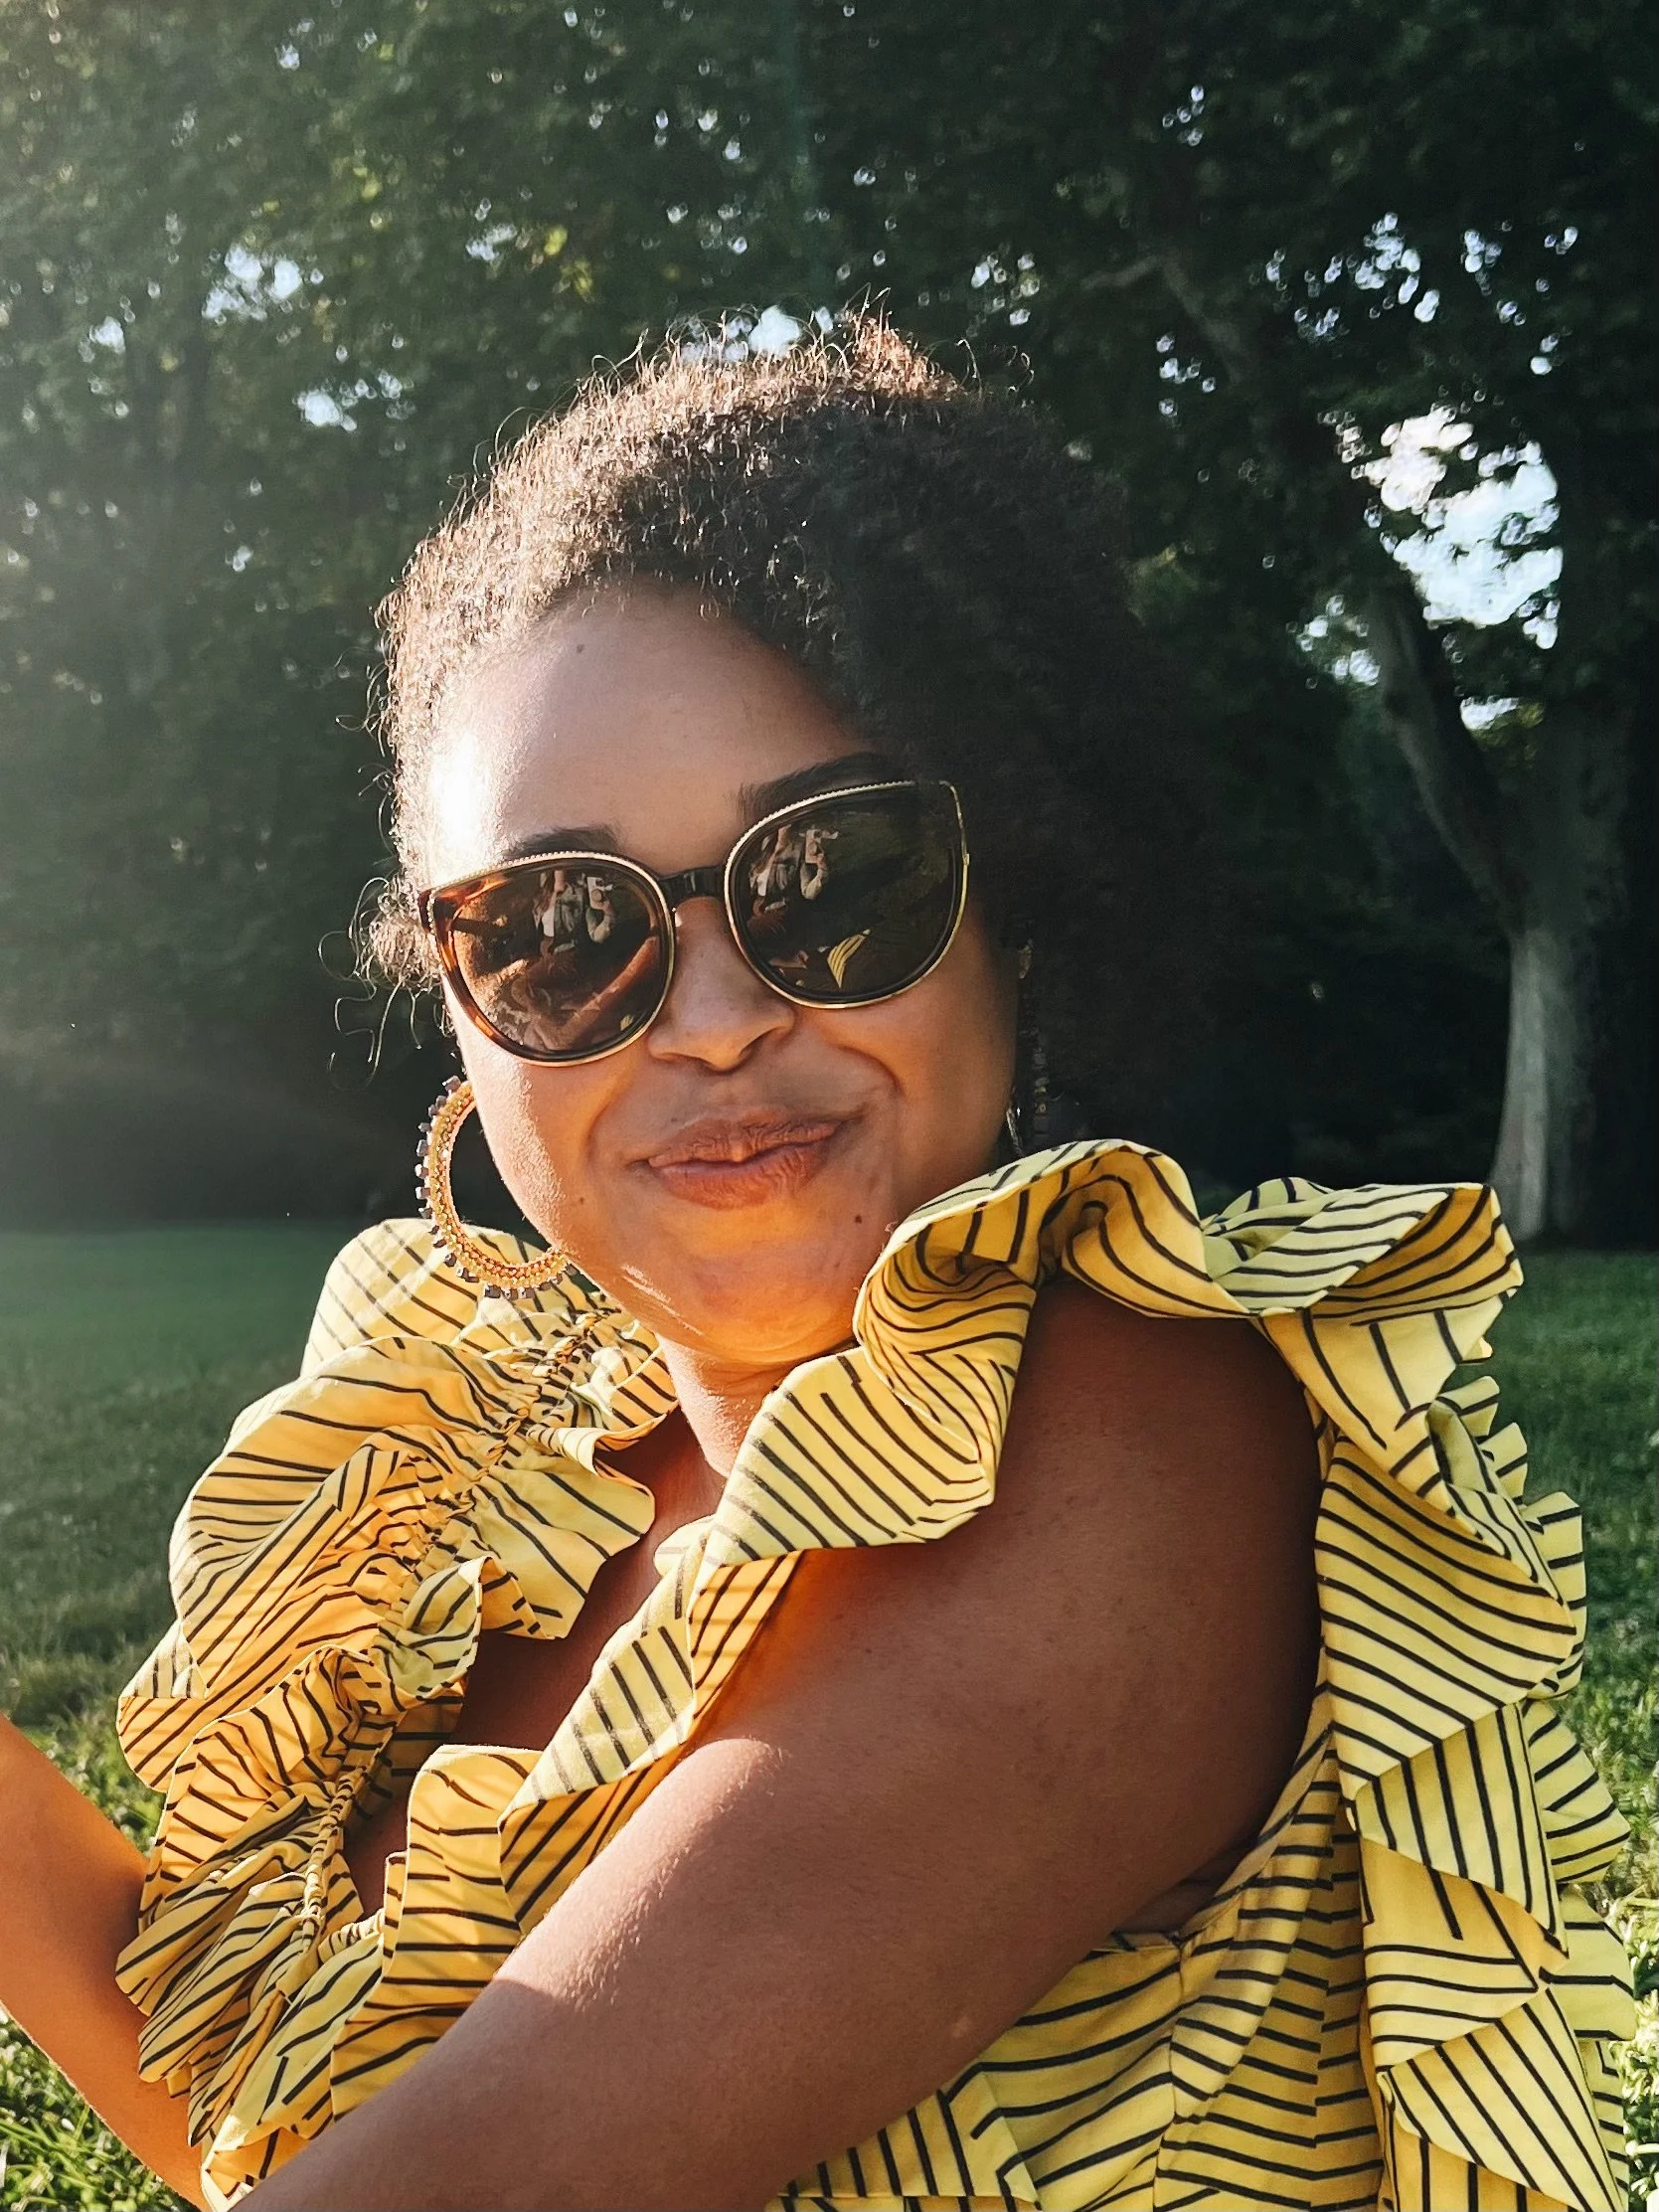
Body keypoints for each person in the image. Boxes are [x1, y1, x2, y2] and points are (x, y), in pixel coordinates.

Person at [0, 321, 1633, 2212]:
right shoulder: (472, 1469)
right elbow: (281, 2141)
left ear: (1015, 902)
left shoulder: (1131, 1428)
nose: (706, 1017)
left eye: (834, 877)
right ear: (454, 1007)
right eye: (556, 928)